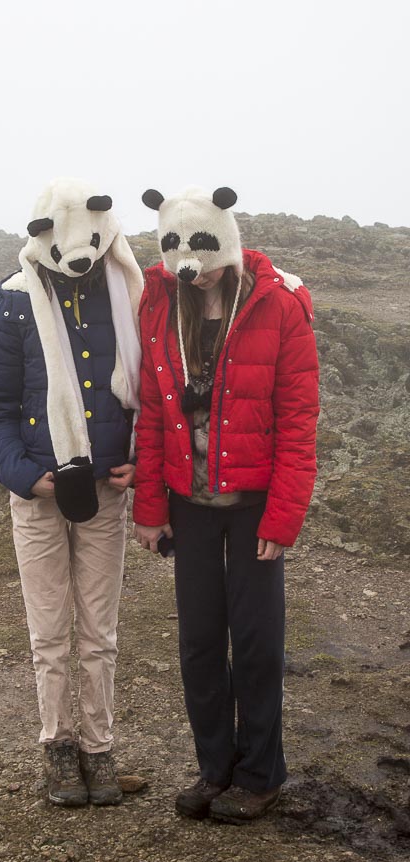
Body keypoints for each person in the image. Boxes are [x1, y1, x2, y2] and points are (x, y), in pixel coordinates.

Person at [133, 185, 319, 823]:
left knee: (259, 640)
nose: (193, 265)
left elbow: (298, 421)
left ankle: (261, 774)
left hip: (254, 504)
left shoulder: (278, 305)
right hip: (189, 501)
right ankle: (215, 768)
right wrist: (150, 509)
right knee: (199, 641)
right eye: (178, 250)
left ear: (228, 242)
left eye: (205, 249)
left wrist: (283, 516)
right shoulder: (160, 307)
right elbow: (155, 419)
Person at [0, 179, 142, 807]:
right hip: (39, 495)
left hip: (103, 491)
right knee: (50, 633)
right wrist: (27, 477)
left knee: (99, 631)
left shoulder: (127, 294)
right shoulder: (16, 302)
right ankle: (58, 748)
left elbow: (145, 395)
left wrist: (136, 458)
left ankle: (100, 751)